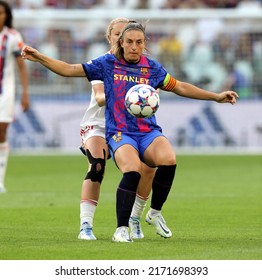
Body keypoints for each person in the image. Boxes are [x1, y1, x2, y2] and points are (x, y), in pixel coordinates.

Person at [21, 21, 239, 242]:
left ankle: (154, 213)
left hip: (147, 131)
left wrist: (216, 96)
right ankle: (120, 229)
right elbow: (69, 69)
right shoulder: (106, 64)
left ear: (145, 44)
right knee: (131, 169)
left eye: (139, 42)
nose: (134, 47)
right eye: (130, 42)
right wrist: (40, 57)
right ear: (121, 43)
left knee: (169, 159)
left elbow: (180, 86)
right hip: (120, 132)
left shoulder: (152, 68)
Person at [78, 18, 157, 241]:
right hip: (100, 124)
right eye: (118, 35)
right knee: (97, 165)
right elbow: (100, 97)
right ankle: (86, 225)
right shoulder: (103, 63)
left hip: (128, 126)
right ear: (112, 38)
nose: (125, 41)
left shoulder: (142, 64)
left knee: (148, 168)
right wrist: (126, 97)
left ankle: (134, 219)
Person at [0, 1, 29, 193]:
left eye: (1, 13)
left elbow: (21, 66)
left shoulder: (12, 37)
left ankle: (0, 180)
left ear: (7, 15)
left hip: (5, 92)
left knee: (1, 132)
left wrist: (25, 92)